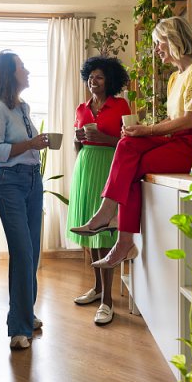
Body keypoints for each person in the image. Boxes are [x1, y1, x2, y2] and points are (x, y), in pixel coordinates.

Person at [71, 16, 192, 269]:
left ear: (171, 39)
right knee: (127, 144)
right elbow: (174, 118)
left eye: (158, 43)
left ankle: (121, 238)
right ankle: (109, 219)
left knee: (133, 165)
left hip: (190, 145)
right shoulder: (175, 77)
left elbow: (191, 120)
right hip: (174, 139)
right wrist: (140, 131)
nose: (156, 50)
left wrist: (148, 130)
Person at [0, 50, 50, 350]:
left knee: (32, 252)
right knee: (22, 252)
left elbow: (24, 145)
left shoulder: (23, 107)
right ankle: (18, 328)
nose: (28, 71)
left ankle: (26, 312)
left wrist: (35, 147)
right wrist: (31, 144)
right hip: (10, 184)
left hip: (33, 181)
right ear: (9, 74)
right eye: (22, 67)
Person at [67, 56, 130, 325]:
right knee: (89, 228)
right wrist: (78, 139)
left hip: (109, 166)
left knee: (104, 232)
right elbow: (76, 143)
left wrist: (105, 139)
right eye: (91, 76)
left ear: (110, 81)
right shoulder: (82, 108)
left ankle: (108, 301)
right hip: (85, 166)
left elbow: (129, 141)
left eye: (100, 77)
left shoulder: (121, 105)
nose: (94, 80)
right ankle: (98, 288)